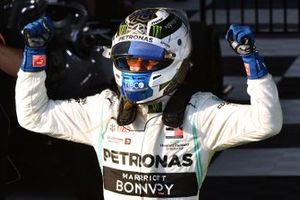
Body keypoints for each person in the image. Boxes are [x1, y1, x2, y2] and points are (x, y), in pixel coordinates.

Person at [15, 7, 282, 199]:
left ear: (177, 60)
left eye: (148, 60)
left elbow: (265, 123)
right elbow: (33, 116)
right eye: (129, 60)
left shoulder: (201, 112)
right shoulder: (104, 109)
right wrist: (34, 57)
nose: (136, 68)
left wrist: (252, 63)